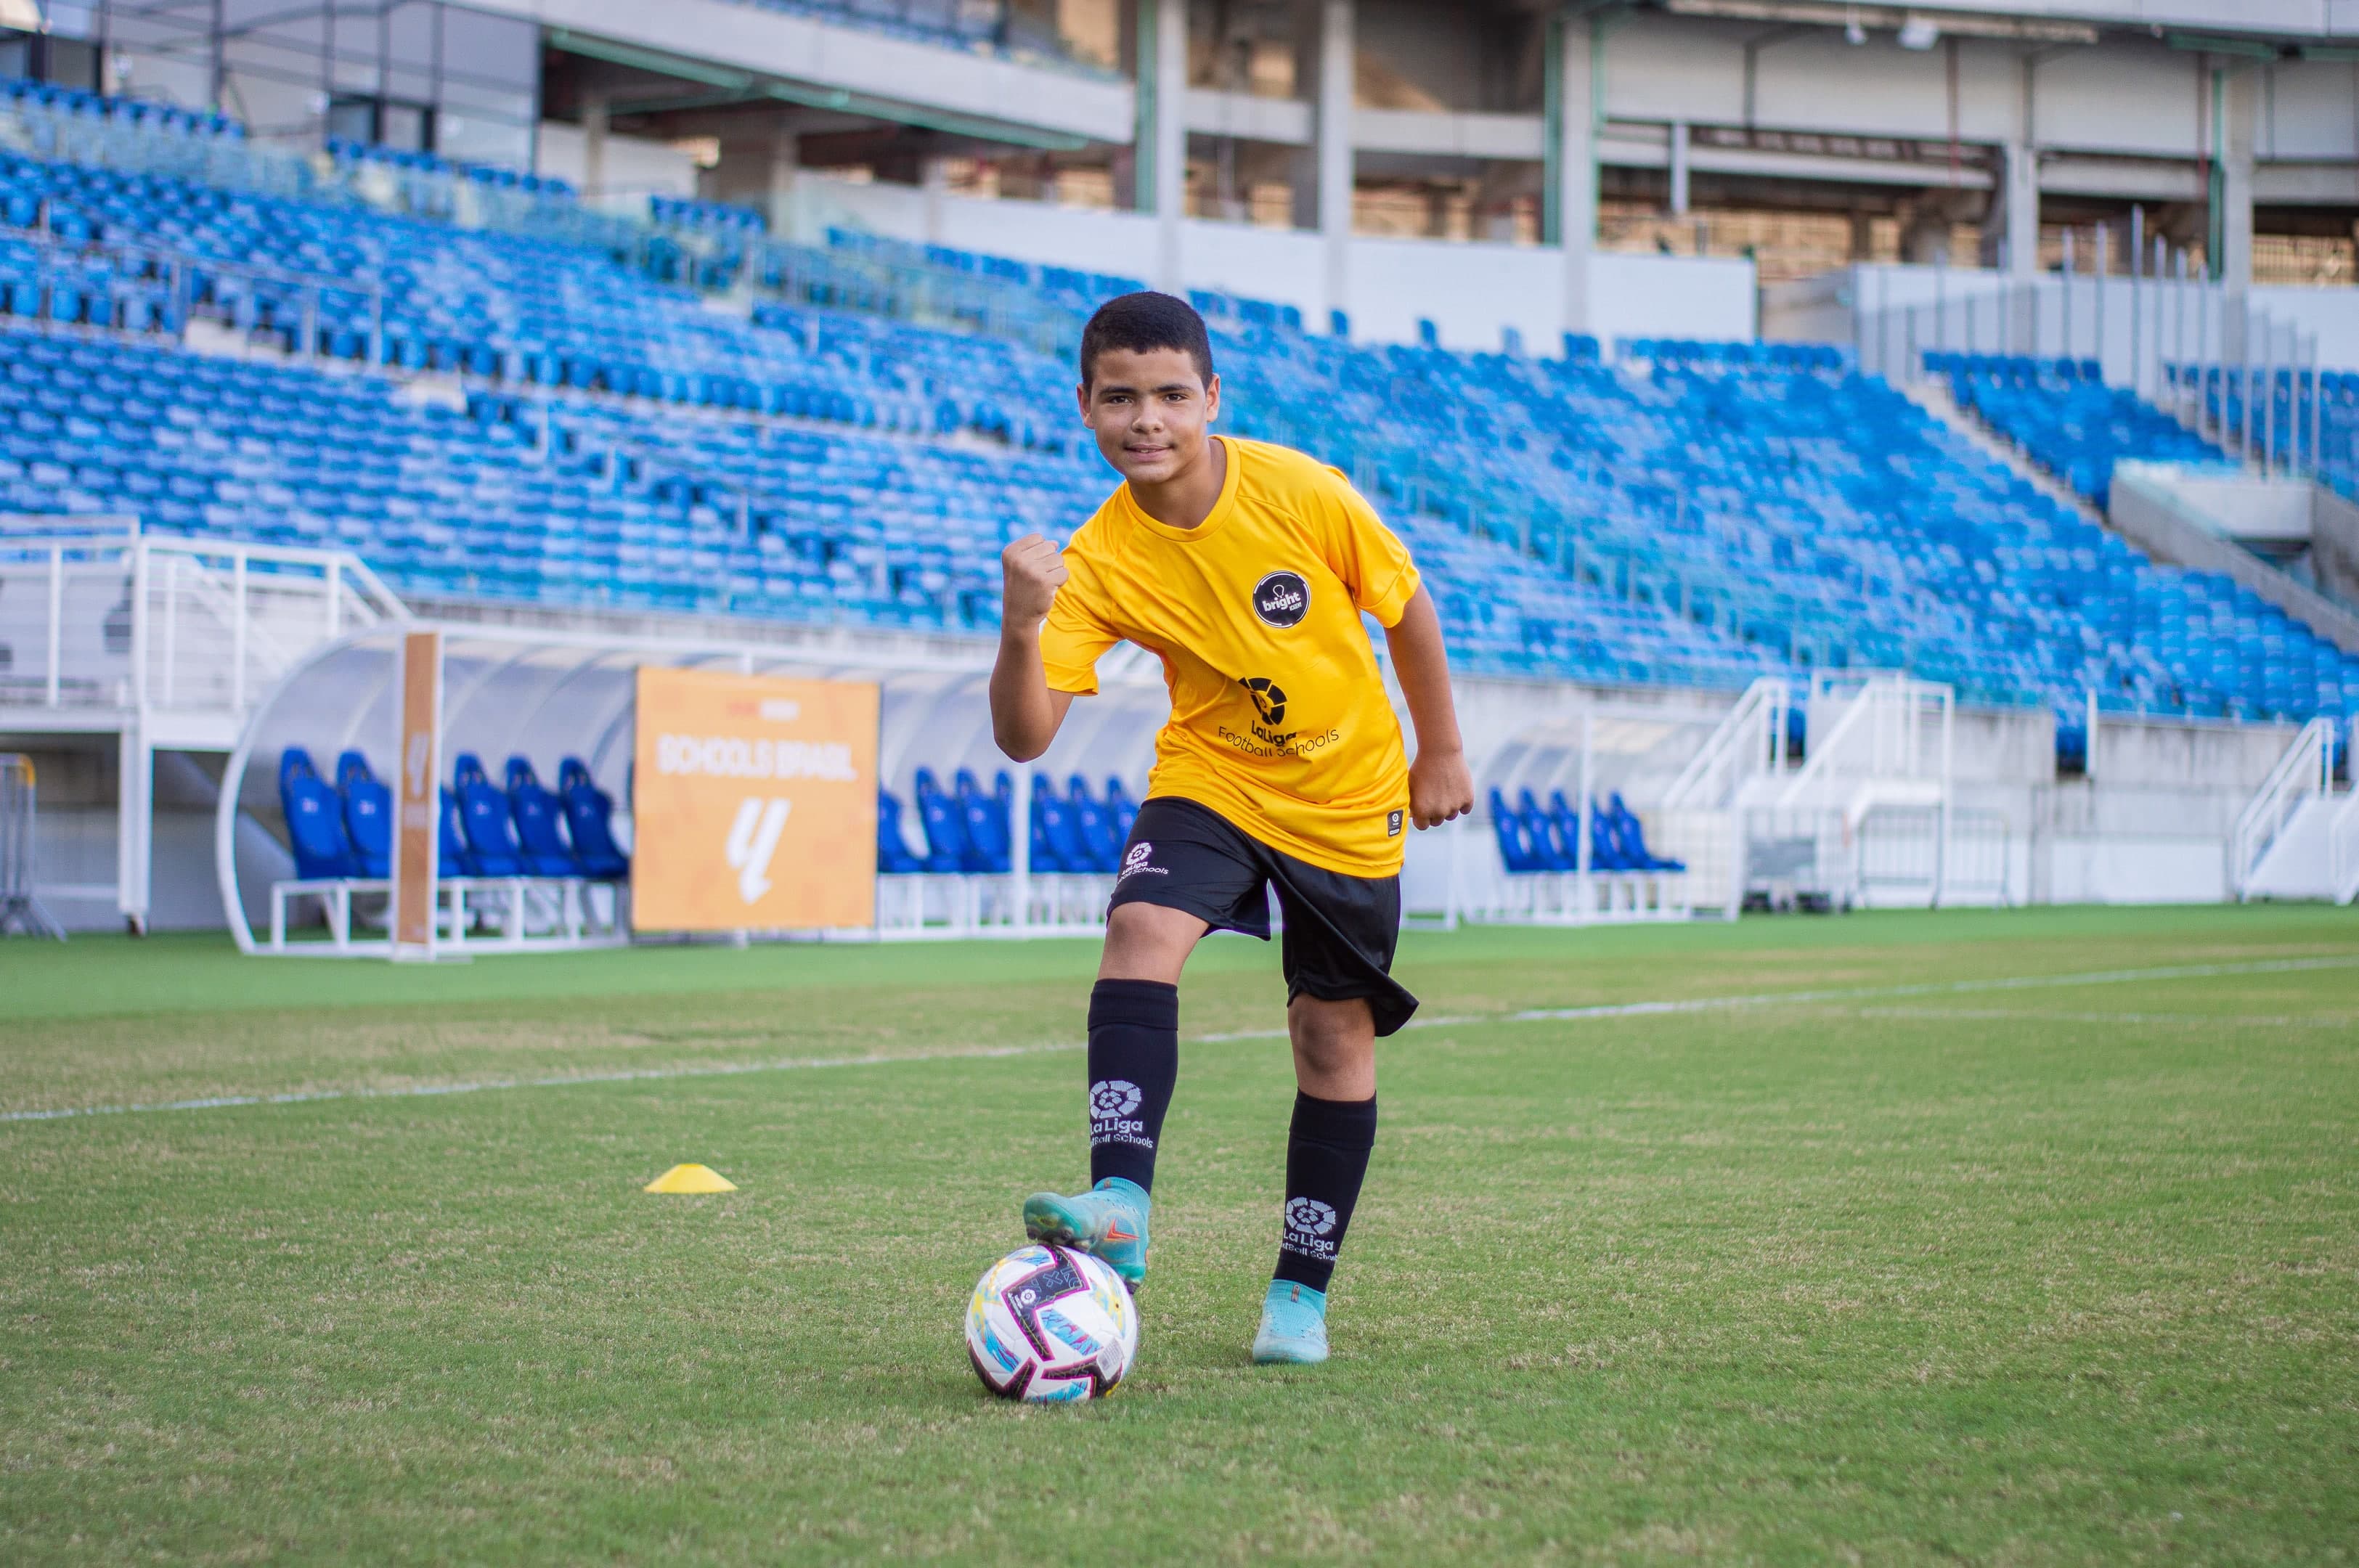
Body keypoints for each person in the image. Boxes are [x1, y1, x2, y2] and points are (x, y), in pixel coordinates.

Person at [989, 291, 1474, 1365]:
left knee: (1329, 1036)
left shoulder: (1299, 489)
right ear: (1085, 407)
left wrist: (1437, 750)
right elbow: (1025, 738)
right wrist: (1023, 628)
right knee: (1138, 932)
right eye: (1120, 398)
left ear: (1211, 398)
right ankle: (1120, 1196)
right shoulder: (1098, 558)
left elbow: (1406, 609)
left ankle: (1299, 1298)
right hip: (1212, 778)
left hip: (1347, 802)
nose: (1146, 420)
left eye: (1169, 395)